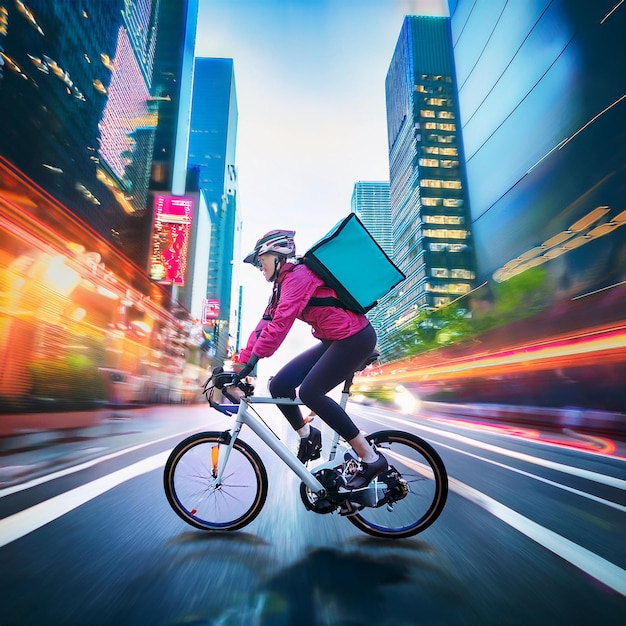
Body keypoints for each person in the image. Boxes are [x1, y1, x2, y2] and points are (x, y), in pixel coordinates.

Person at [236, 229, 387, 489]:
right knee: (280, 386)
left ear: (278, 255)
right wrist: (241, 362)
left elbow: (280, 325)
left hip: (355, 338)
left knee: (310, 392)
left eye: (261, 260)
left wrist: (251, 363)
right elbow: (266, 323)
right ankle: (308, 435)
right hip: (334, 340)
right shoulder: (281, 286)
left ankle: (370, 458)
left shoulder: (299, 276)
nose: (259, 267)